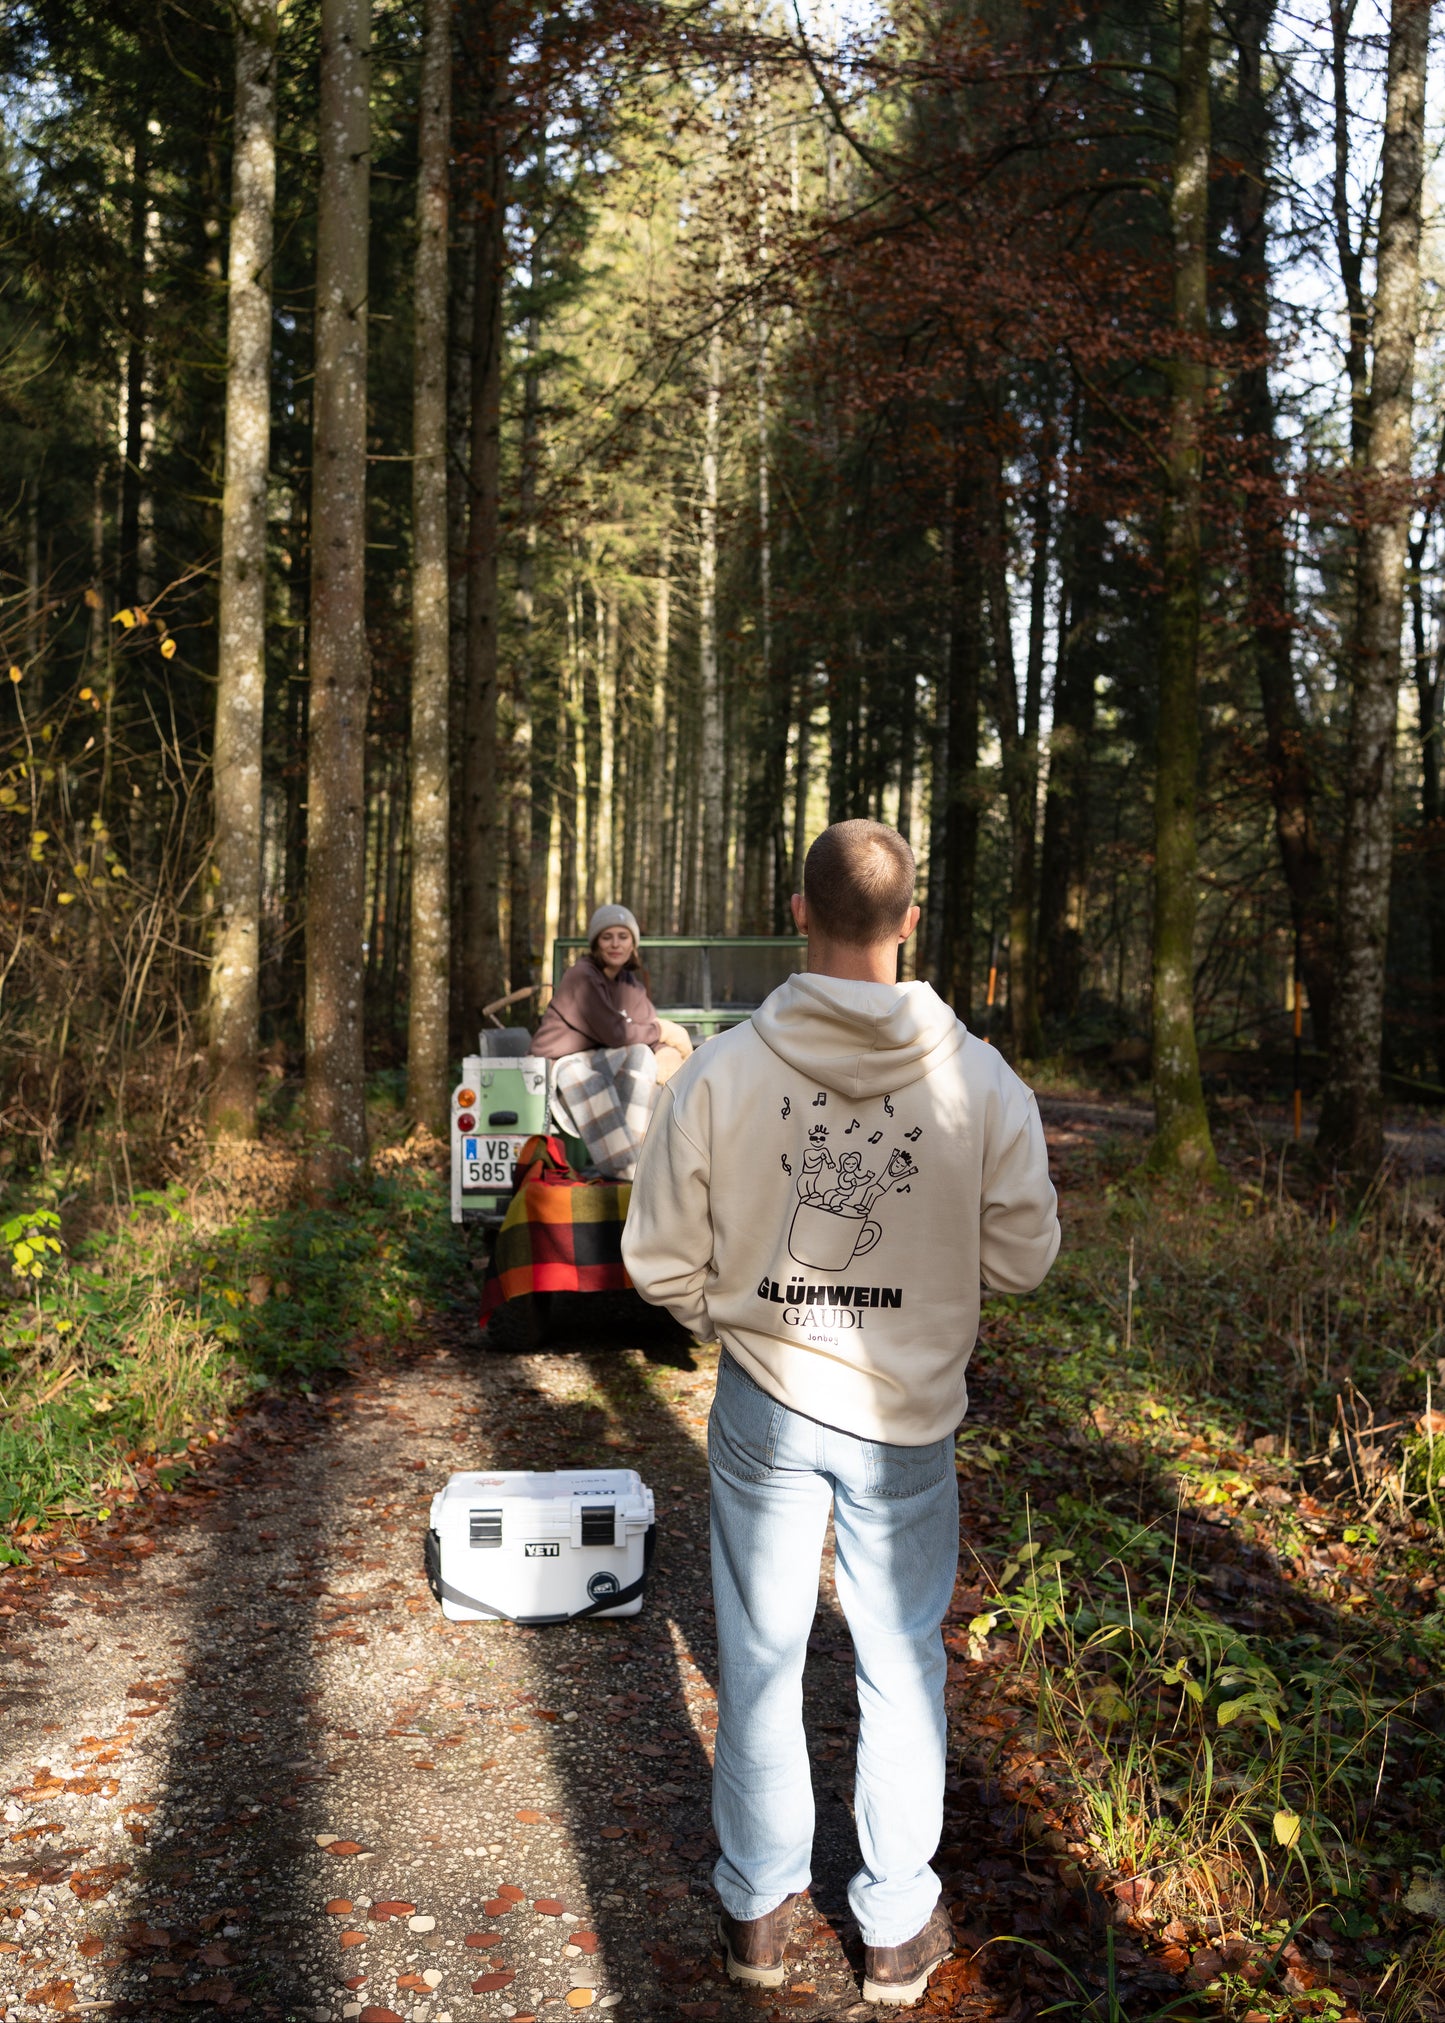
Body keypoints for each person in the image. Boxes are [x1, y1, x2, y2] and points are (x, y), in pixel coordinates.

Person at [622, 820, 1059, 2008]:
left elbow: (655, 1260)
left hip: (767, 1400)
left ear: (798, 914)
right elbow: (1023, 1254)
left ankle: (757, 1916)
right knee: (899, 1664)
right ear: (907, 921)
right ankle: (891, 1930)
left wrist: (732, 1313)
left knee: (759, 1659)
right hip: (906, 1416)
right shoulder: (976, 1077)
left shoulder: (722, 1071)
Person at [531, 904, 690, 1180]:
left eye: (623, 936)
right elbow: (617, 1034)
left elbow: (645, 1038)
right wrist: (662, 1031)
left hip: (600, 1060)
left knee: (642, 1056)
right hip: (557, 1066)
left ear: (633, 943)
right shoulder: (581, 977)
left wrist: (665, 1052)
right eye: (607, 937)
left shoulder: (630, 986)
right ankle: (626, 1172)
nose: (615, 944)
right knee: (582, 1076)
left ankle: (641, 1163)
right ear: (596, 943)